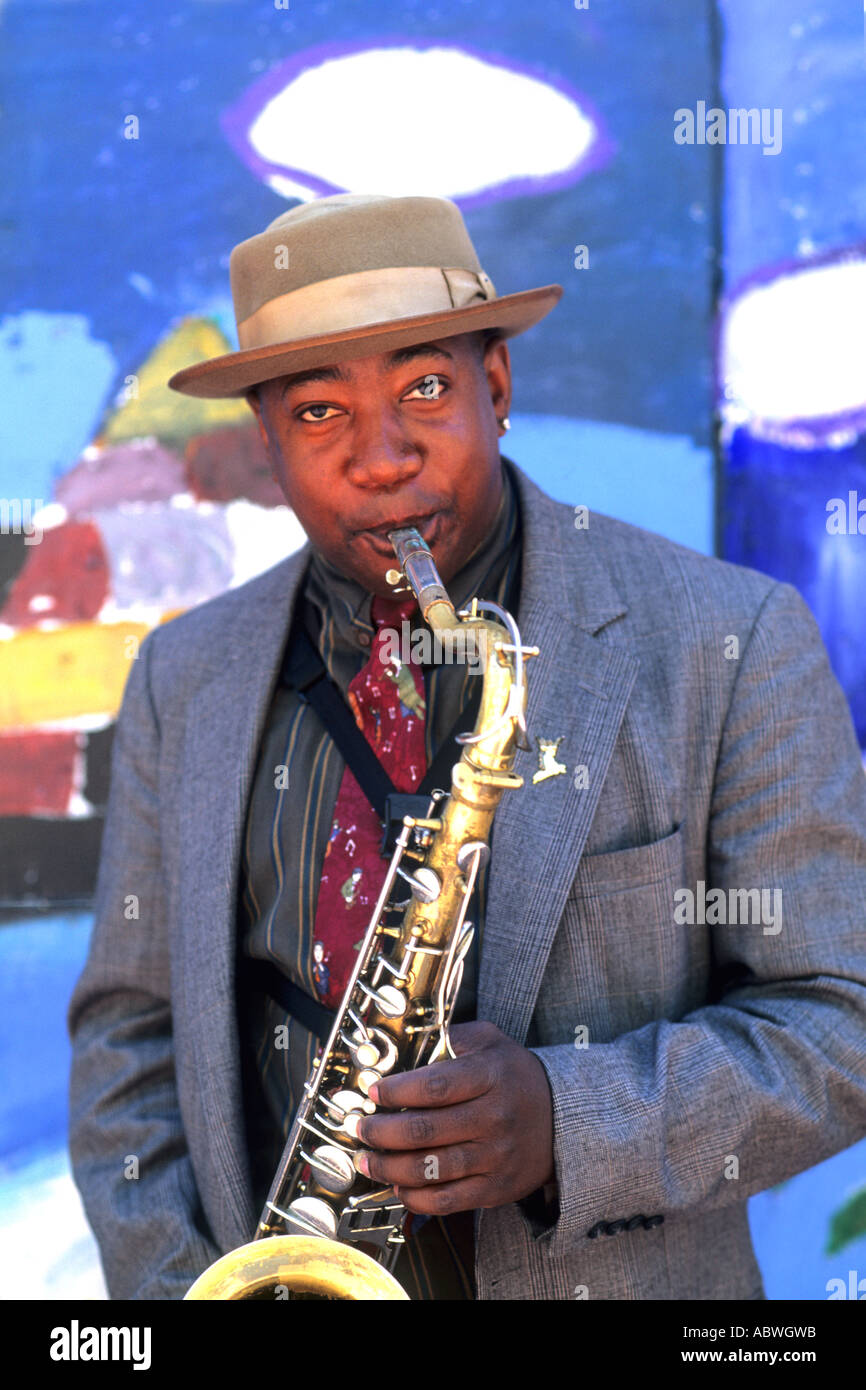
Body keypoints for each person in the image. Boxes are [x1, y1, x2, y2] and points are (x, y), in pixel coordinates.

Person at [68, 193, 866, 1301]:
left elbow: (839, 1021)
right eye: (316, 412)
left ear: (495, 388)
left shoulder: (727, 643)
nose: (382, 457)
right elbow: (130, 1036)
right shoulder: (183, 673)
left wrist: (563, 1122)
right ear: (262, 439)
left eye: (424, 388)